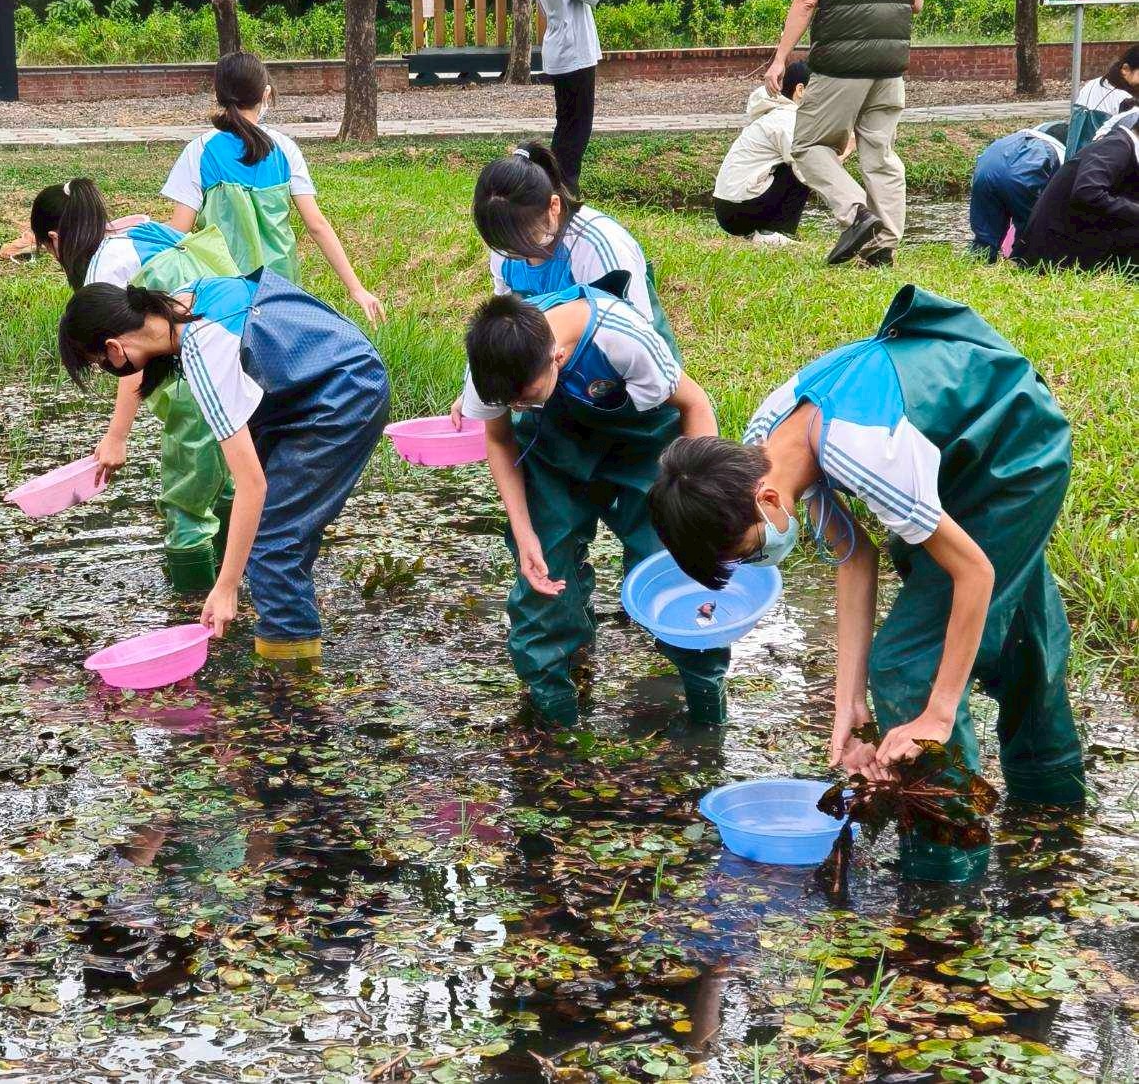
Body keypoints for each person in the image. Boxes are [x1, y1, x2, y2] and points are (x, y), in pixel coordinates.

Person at [648, 285, 1086, 882]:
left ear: (767, 501)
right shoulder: (763, 442)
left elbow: (975, 571)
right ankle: (1053, 804)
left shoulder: (862, 454)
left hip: (1014, 452)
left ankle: (945, 867)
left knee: (907, 661)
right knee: (1020, 632)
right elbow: (854, 559)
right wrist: (847, 703)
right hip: (957, 447)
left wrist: (938, 713)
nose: (761, 557)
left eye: (748, 549)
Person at [57, 269, 391, 661]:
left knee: (273, 543)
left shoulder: (204, 351)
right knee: (274, 532)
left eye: (99, 363)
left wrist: (226, 585)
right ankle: (285, 631)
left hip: (341, 395)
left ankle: (292, 685)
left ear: (114, 349)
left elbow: (252, 486)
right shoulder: (183, 301)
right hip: (319, 375)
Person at [458, 283, 727, 727]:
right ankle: (556, 727)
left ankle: (706, 715)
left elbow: (694, 403)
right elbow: (500, 439)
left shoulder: (622, 338)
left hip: (643, 447)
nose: (518, 406)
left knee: (675, 569)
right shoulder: (489, 365)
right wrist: (525, 535)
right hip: (552, 453)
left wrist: (698, 502)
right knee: (544, 581)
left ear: (557, 357)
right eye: (510, 402)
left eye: (526, 398)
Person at [30, 178, 242, 594]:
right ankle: (239, 584)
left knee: (185, 505)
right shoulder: (139, 231)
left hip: (194, 379)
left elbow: (127, 356)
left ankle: (194, 605)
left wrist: (116, 436)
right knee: (222, 482)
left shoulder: (103, 271)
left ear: (54, 240)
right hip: (228, 358)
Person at [449, 141, 661, 426]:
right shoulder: (505, 249)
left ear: (554, 206)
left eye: (526, 241)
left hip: (612, 377)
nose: (517, 254)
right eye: (505, 247)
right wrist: (478, 391)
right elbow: (505, 329)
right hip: (548, 371)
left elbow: (636, 335)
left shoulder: (598, 245)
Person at [161, 51, 383, 322]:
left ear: (217, 94)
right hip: (280, 289)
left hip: (221, 292)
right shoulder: (285, 149)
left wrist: (139, 234)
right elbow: (317, 225)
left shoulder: (199, 151)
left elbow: (178, 231)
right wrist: (356, 289)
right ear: (265, 95)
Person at [766, 0, 929, 266]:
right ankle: (882, 247)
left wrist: (780, 58)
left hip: (839, 67)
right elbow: (916, 3)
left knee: (807, 145)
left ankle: (856, 214)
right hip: (889, 67)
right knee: (881, 155)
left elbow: (807, 1)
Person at [1013, 109, 1139, 275]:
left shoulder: (1124, 149)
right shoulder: (1116, 146)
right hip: (1054, 251)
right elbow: (1088, 193)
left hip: (1074, 244)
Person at [533, 0, 624, 193]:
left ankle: (556, 191)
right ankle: (564, 193)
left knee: (568, 127)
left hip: (567, 51)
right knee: (576, 130)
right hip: (572, 53)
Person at [712, 60, 816, 243]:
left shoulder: (777, 112)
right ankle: (775, 232)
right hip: (739, 209)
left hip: (727, 207)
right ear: (800, 90)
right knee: (804, 165)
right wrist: (847, 147)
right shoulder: (788, 120)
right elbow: (810, 170)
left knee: (800, 161)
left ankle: (763, 232)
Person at [967, 121, 1065, 262]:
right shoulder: (1059, 152)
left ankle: (978, 262)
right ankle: (1023, 263)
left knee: (985, 236)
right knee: (1031, 232)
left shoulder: (1019, 136)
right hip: (1024, 173)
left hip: (985, 168)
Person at [1067, 44, 1139, 154]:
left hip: (1074, 155)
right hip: (1103, 157)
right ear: (1125, 69)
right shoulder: (1126, 100)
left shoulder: (1092, 84)